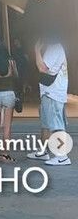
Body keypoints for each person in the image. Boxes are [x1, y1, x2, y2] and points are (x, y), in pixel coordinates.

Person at [28, 30, 71, 166]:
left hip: (53, 93)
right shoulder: (55, 48)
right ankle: (43, 152)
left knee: (56, 125)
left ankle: (62, 156)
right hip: (49, 93)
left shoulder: (54, 48)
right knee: (46, 125)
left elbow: (42, 68)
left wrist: (36, 50)